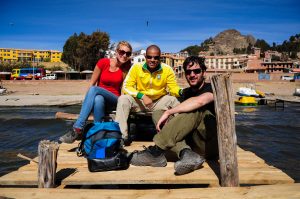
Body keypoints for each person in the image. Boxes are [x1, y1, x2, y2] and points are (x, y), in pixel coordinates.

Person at [130, 56, 219, 175]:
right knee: (158, 113)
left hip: (209, 145)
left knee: (197, 109)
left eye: (196, 71)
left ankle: (157, 151)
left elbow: (200, 101)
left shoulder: (212, 88)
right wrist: (165, 112)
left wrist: (169, 112)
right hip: (192, 144)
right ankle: (186, 153)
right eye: (188, 72)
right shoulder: (186, 92)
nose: (192, 75)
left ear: (204, 73)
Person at [59, 41, 133, 143]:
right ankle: (98, 132)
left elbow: (126, 88)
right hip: (100, 99)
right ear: (116, 51)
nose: (124, 55)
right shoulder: (103, 63)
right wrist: (88, 102)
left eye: (128, 54)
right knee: (98, 98)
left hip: (115, 100)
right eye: (122, 52)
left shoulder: (127, 68)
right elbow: (92, 83)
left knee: (94, 90)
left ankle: (77, 128)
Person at [115, 45, 182, 144]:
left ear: (160, 58)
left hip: (159, 102)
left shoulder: (167, 69)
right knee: (123, 99)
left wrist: (181, 92)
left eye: (156, 57)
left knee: (174, 101)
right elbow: (126, 87)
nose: (152, 60)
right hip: (140, 102)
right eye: (149, 57)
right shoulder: (136, 67)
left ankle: (181, 136)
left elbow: (173, 88)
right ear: (145, 57)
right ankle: (121, 137)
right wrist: (142, 96)